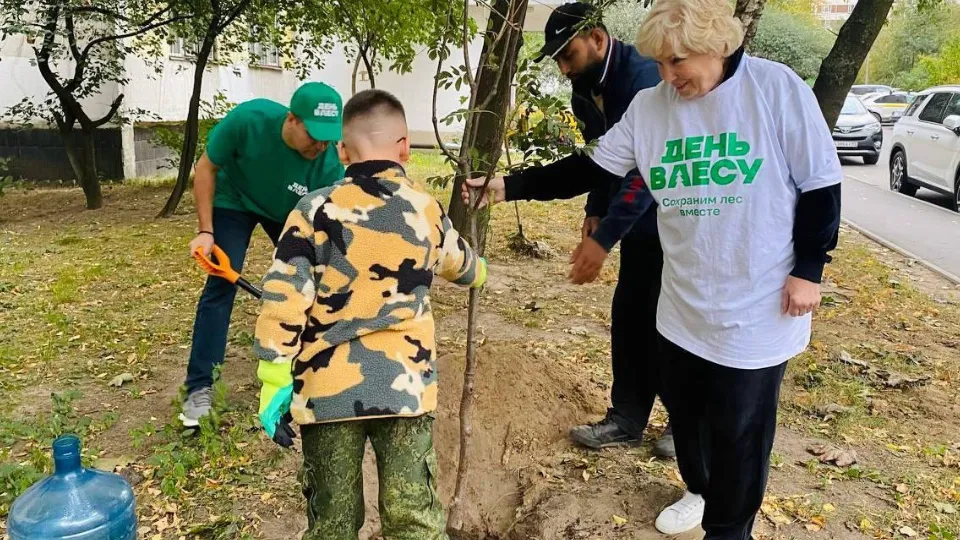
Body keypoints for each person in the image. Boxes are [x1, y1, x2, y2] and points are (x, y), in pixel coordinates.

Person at [463, 0, 842, 537]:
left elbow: (821, 185)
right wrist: (507, 187)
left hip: (757, 303)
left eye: (677, 62)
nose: (667, 76)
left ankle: (730, 529)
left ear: (717, 46)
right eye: (659, 63)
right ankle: (698, 490)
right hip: (683, 302)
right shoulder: (651, 107)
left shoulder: (776, 91)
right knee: (686, 421)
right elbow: (591, 166)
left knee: (739, 431)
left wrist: (809, 267)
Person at [253, 89, 487, 539]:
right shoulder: (427, 209)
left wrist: (273, 376)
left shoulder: (313, 210)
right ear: (404, 148)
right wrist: (481, 274)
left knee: (333, 523)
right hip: (406, 391)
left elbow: (284, 294)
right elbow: (461, 263)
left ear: (342, 151)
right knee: (412, 518)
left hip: (327, 394)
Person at [533, 1, 675, 455]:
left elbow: (648, 171)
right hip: (631, 223)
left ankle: (682, 421)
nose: (562, 66)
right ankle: (628, 417)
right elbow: (602, 158)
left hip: (674, 222)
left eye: (567, 54)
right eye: (555, 57)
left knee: (670, 321)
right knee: (631, 315)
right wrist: (596, 206)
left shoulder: (644, 81)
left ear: (597, 38)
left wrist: (603, 237)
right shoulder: (583, 90)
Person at [180, 82, 346, 427]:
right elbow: (206, 167)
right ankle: (199, 389)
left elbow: (320, 222)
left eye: (328, 137)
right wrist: (206, 231)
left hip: (287, 213)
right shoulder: (248, 121)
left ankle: (310, 370)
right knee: (220, 287)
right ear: (291, 120)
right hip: (234, 201)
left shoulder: (329, 166)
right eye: (314, 135)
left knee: (311, 286)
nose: (321, 145)